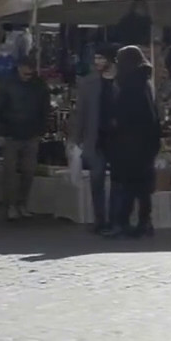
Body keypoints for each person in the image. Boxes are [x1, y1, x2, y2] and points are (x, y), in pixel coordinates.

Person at [104, 45, 163, 238]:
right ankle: (144, 223)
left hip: (130, 142)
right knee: (142, 187)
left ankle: (123, 223)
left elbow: (127, 113)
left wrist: (116, 125)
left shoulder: (130, 84)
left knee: (128, 185)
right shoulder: (145, 82)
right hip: (145, 143)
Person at [0, 54, 50, 221]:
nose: (28, 72)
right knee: (10, 172)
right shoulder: (6, 83)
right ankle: (11, 205)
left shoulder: (38, 85)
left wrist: (41, 129)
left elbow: (44, 108)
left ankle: (21, 203)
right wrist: (0, 132)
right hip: (11, 133)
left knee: (29, 171)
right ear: (19, 67)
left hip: (30, 133)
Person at [70, 46, 114, 231]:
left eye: (101, 58)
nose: (97, 62)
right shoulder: (88, 83)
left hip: (117, 139)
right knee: (96, 180)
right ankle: (100, 220)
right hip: (95, 139)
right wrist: (75, 138)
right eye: (95, 58)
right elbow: (80, 113)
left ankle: (116, 219)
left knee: (118, 182)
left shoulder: (121, 82)